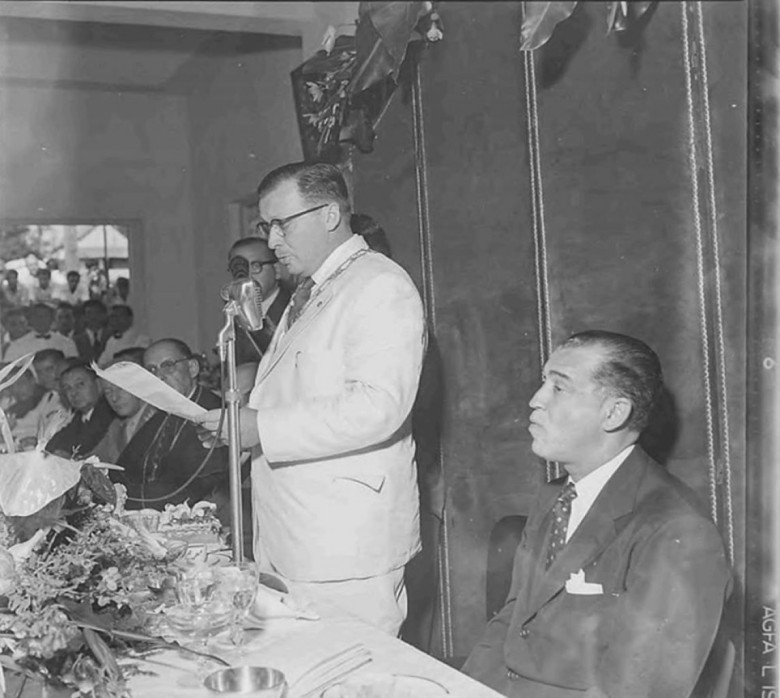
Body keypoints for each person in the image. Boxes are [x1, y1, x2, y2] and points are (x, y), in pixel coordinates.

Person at [195, 161, 427, 636]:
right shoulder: (315, 290)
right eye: (266, 226)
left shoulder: (379, 284)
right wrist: (240, 435)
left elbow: (377, 406)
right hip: (298, 536)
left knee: (351, 676)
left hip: (344, 545)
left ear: (328, 215)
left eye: (282, 224)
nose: (272, 241)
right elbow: (296, 393)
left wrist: (262, 427)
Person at [461, 330, 732, 698]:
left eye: (559, 388)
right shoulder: (553, 496)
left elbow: (637, 690)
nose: (535, 401)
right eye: (544, 383)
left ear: (614, 413)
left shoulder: (677, 531)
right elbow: (510, 623)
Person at [114, 339, 229, 515]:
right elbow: (124, 469)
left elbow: (198, 486)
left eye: (168, 365)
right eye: (152, 370)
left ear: (192, 368)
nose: (159, 376)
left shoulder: (213, 413)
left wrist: (129, 498)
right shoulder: (161, 415)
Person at [224, 237, 292, 364]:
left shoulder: (294, 307)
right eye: (238, 268)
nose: (247, 275)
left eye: (255, 266)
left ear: (277, 270)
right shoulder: (235, 315)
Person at [45, 363, 115, 458]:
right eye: (67, 388)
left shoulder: (108, 412)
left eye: (80, 384)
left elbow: (87, 446)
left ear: (98, 384)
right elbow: (56, 441)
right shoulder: (80, 416)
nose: (73, 393)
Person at [93, 372, 156, 465]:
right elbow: (95, 458)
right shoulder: (116, 426)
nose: (114, 398)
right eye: (108, 392)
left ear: (140, 386)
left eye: (121, 389)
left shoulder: (159, 418)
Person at [4, 304, 78, 361]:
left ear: (52, 319)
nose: (41, 319)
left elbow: (74, 366)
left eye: (45, 315)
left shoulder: (67, 343)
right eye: (37, 316)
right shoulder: (17, 346)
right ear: (30, 319)